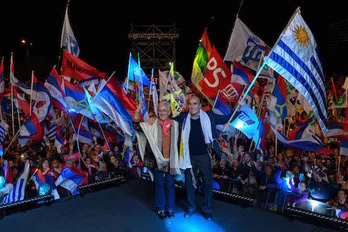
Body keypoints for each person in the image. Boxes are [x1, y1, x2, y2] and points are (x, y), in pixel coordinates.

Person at [174, 94, 231, 221]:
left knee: (207, 183)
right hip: (189, 156)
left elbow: (226, 118)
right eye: (190, 104)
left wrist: (238, 109)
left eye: (195, 104)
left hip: (205, 156)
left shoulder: (209, 116)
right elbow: (168, 117)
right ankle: (191, 207)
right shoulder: (183, 117)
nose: (192, 106)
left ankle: (207, 209)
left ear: (200, 106)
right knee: (189, 183)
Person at [134, 101, 181, 220]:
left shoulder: (175, 124)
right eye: (160, 111)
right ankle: (161, 209)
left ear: (169, 112)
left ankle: (170, 208)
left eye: (164, 110)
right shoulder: (153, 123)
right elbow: (137, 127)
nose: (162, 113)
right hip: (157, 161)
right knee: (159, 185)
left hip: (172, 161)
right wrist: (137, 111)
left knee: (170, 185)